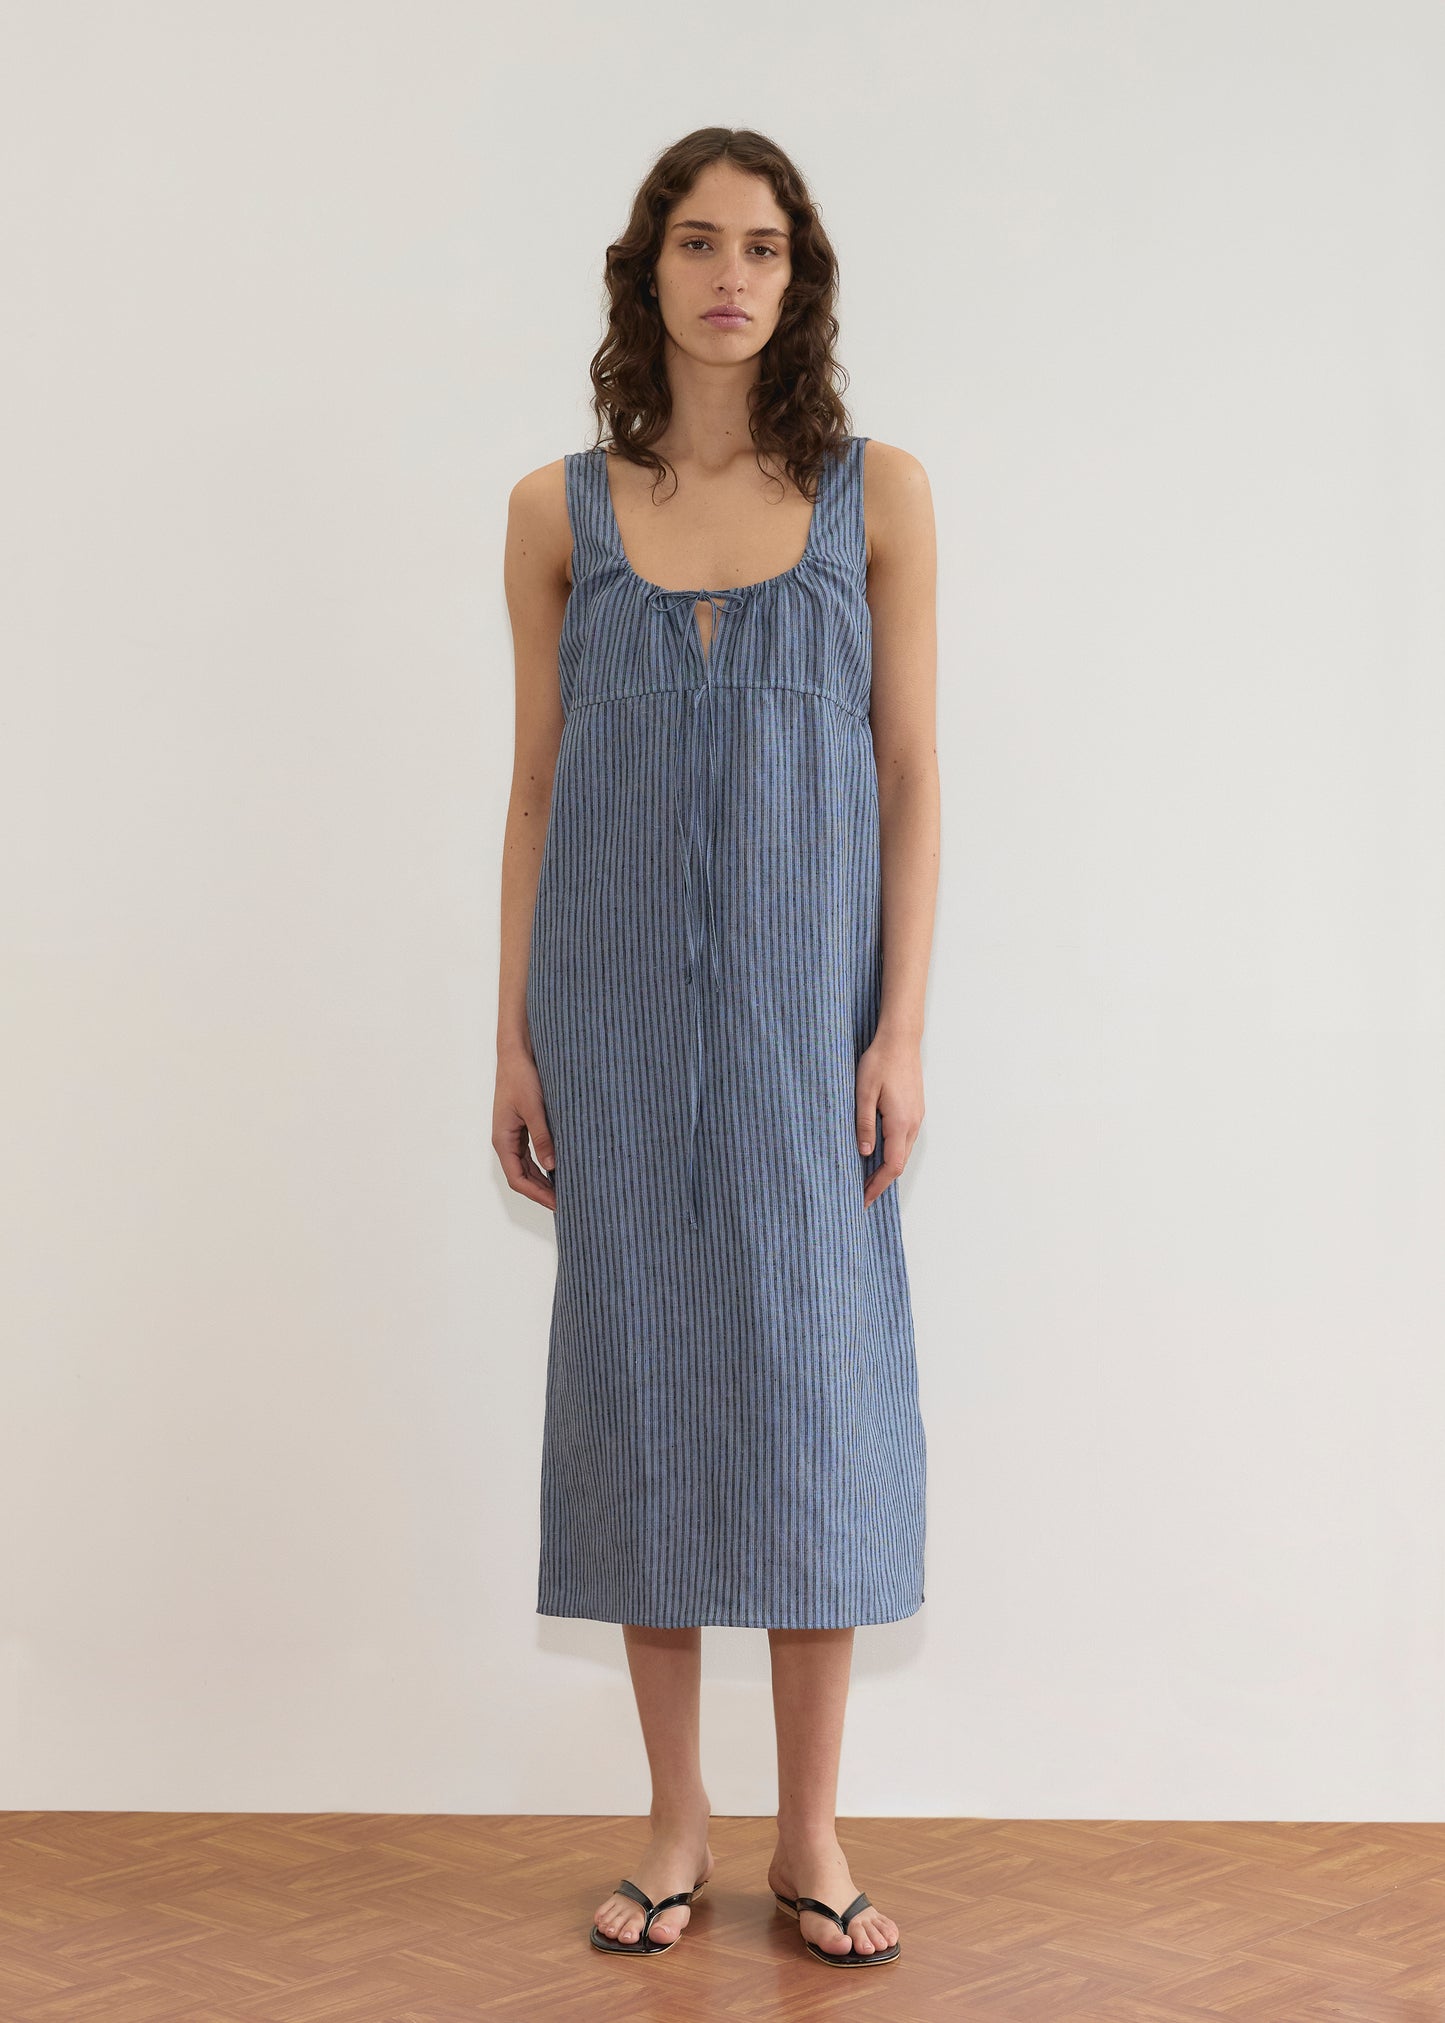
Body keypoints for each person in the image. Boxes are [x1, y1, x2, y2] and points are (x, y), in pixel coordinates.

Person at [494, 127, 939, 1968]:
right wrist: (511, 1036)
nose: (727, 271)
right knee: (645, 1397)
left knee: (815, 1404)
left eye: (761, 242)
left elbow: (911, 778)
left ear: (797, 276)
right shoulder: (552, 511)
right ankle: (675, 1823)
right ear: (648, 271)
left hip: (801, 1025)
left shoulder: (877, 495)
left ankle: (807, 1835)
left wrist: (897, 1025)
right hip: (603, 1016)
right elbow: (532, 788)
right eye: (696, 239)